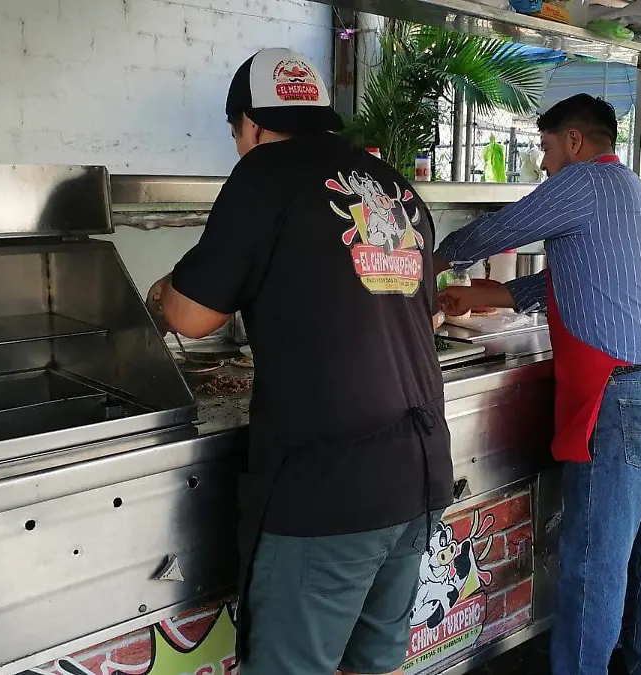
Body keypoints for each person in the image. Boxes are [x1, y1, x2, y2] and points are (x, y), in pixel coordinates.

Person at [145, 48, 452, 675]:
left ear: (252, 125)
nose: (239, 145)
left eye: (235, 133)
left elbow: (191, 316)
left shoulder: (263, 174)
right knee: (371, 665)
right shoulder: (390, 183)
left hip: (330, 483)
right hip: (418, 471)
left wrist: (158, 295)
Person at [435, 94, 641, 675]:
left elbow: (502, 228)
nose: (545, 163)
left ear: (574, 141)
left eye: (547, 148)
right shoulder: (637, 193)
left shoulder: (582, 182)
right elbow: (564, 281)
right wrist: (477, 295)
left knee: (593, 564)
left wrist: (424, 261)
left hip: (622, 401)